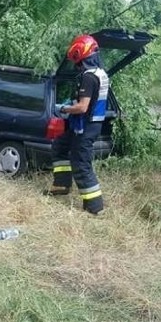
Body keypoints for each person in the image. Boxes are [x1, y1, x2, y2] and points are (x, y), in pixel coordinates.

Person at [46, 34, 109, 215]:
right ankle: (61, 185)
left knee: (81, 163)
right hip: (87, 124)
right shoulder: (101, 73)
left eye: (78, 62)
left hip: (86, 126)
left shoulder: (89, 77)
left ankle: (94, 207)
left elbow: (82, 107)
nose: (77, 66)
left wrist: (65, 109)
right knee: (60, 145)